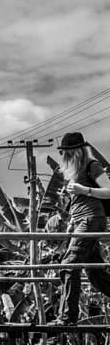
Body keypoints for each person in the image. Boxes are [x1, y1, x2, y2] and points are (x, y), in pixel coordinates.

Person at [51, 131, 110, 325]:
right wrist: (71, 224)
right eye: (63, 152)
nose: (64, 155)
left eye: (68, 151)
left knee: (69, 265)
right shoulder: (73, 171)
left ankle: (67, 317)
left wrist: (84, 190)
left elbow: (109, 190)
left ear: (78, 151)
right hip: (81, 222)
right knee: (96, 275)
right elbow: (77, 202)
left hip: (91, 219)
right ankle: (67, 316)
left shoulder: (92, 165)